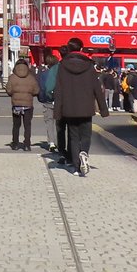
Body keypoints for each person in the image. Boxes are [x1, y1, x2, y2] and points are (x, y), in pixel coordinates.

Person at [53, 38, 109, 174]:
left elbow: (58, 89)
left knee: (73, 136)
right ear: (81, 49)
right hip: (86, 107)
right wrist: (103, 109)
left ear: (69, 49)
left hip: (69, 108)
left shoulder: (62, 66)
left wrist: (57, 112)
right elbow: (97, 88)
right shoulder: (89, 66)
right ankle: (84, 152)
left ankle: (76, 167)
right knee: (86, 135)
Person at [5, 56, 40, 150]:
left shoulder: (12, 77)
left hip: (16, 105)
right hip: (28, 105)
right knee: (27, 125)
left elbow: (8, 90)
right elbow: (36, 91)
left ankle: (15, 143)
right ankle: (27, 145)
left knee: (16, 125)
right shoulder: (31, 77)